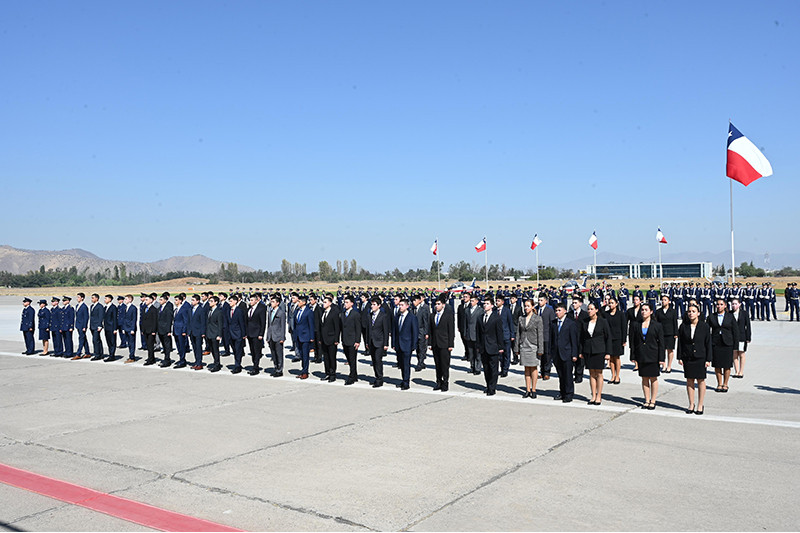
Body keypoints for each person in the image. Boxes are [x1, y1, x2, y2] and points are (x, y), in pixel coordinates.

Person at [677, 303, 713, 415]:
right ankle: (691, 403)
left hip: (700, 357)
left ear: (698, 313)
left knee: (701, 380)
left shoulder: (704, 326)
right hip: (688, 357)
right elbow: (680, 343)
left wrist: (708, 359)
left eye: (693, 311)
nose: (691, 313)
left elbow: (708, 343)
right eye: (689, 311)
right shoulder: (683, 326)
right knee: (689, 380)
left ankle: (700, 404)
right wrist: (680, 357)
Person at [630, 303, 665, 409]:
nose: (643, 311)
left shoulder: (657, 325)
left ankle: (653, 400)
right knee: (644, 378)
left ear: (651, 312)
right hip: (641, 354)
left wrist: (661, 358)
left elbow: (661, 343)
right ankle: (646, 399)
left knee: (653, 378)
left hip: (653, 354)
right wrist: (633, 355)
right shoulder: (636, 324)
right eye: (642, 310)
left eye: (646, 310)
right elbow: (633, 341)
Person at [579, 302, 612, 405]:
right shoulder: (585, 322)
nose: (589, 311)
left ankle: (599, 395)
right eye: (588, 309)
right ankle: (593, 395)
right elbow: (581, 338)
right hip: (588, 350)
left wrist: (608, 353)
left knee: (599, 373)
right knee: (591, 374)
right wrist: (581, 351)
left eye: (592, 309)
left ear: (597, 310)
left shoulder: (603, 322)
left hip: (599, 350)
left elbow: (608, 337)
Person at [708, 298, 739, 393]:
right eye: (717, 304)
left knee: (726, 365)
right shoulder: (711, 317)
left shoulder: (730, 316)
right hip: (716, 343)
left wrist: (735, 346)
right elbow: (706, 330)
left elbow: (735, 331)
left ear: (725, 305)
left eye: (721, 304)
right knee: (717, 365)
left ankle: (725, 384)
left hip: (727, 343)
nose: (719, 306)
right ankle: (719, 383)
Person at [514, 299, 543, 398]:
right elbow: (518, 333)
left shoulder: (537, 319)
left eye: (528, 306)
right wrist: (516, 347)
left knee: (534, 368)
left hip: (533, 345)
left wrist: (540, 349)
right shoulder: (521, 318)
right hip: (523, 345)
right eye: (525, 306)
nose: (526, 308)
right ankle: (527, 389)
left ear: (532, 307)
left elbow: (540, 335)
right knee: (526, 368)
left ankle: (534, 389)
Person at [551, 303, 579, 403]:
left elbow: (574, 340)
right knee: (561, 375)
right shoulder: (553, 323)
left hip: (567, 353)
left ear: (565, 311)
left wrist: (574, 354)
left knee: (568, 375)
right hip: (557, 354)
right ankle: (562, 392)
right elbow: (552, 339)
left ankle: (569, 394)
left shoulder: (570, 323)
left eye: (559, 310)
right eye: (556, 311)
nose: (557, 313)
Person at [476, 296, 504, 396]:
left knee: (494, 369)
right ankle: (488, 385)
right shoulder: (480, 318)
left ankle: (492, 387)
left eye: (487, 304)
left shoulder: (496, 318)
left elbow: (499, 333)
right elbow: (478, 333)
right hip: (483, 347)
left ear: (492, 306)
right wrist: (478, 346)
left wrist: (501, 347)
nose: (485, 305)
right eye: (484, 303)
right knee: (486, 368)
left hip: (493, 346)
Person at [392, 298, 419, 390]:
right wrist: (393, 343)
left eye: (402, 305)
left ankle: (406, 382)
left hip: (407, 344)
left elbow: (415, 332)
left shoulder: (412, 317)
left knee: (406, 364)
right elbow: (395, 331)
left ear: (407, 306)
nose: (400, 307)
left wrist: (414, 345)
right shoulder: (397, 317)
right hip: (398, 345)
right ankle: (403, 379)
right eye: (399, 305)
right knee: (401, 364)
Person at [429, 296, 455, 391]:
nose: (436, 306)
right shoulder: (432, 316)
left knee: (445, 364)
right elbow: (431, 331)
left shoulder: (448, 316)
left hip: (445, 343)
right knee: (437, 364)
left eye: (439, 304)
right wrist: (430, 343)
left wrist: (451, 344)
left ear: (443, 305)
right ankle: (438, 382)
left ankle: (445, 382)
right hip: (435, 344)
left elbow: (451, 331)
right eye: (436, 304)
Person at [366, 296, 390, 388]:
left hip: (379, 342)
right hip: (371, 342)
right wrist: (367, 342)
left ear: (379, 305)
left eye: (374, 305)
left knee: (378, 360)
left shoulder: (383, 316)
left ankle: (380, 379)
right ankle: (376, 377)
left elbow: (385, 330)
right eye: (371, 304)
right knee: (374, 361)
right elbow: (368, 330)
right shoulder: (370, 315)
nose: (372, 306)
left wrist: (386, 344)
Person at [319, 295, 342, 382]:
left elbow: (337, 327)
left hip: (332, 338)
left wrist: (336, 339)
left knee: (332, 357)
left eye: (325, 302)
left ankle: (333, 374)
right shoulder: (323, 312)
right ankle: (327, 373)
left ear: (330, 303)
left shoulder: (334, 313)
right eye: (323, 302)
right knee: (326, 357)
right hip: (324, 338)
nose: (323, 304)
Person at [340, 295, 361, 385]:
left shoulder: (355, 314)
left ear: (352, 304)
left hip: (352, 340)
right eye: (345, 302)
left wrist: (357, 341)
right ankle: (355, 375)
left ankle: (351, 376)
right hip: (345, 339)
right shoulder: (343, 313)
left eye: (347, 302)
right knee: (348, 358)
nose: (345, 304)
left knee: (352, 360)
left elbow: (358, 328)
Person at [604, 297, 626, 384]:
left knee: (617, 357)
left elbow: (624, 327)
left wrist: (624, 339)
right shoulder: (606, 314)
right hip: (609, 338)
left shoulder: (621, 314)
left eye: (612, 303)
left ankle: (617, 376)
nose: (610, 304)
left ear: (616, 304)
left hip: (618, 338)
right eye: (609, 303)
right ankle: (612, 375)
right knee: (611, 358)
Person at [654, 294, 678, 373]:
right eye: (662, 300)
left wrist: (676, 333)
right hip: (661, 333)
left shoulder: (673, 311)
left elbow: (675, 322)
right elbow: (656, 322)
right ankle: (663, 365)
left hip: (670, 333)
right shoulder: (658, 311)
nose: (663, 301)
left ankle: (669, 366)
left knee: (670, 350)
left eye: (665, 300)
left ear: (669, 301)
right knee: (662, 349)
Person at [568, 296, 589, 383]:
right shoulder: (569, 315)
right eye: (573, 303)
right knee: (572, 357)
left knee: (580, 358)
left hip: (581, 338)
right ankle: (573, 374)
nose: (574, 304)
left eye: (576, 303)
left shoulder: (584, 315)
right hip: (572, 338)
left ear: (580, 304)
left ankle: (579, 375)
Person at [246, 293, 267, 375]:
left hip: (257, 333)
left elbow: (263, 323)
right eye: (250, 300)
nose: (250, 302)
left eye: (252, 300)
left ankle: (256, 367)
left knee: (257, 351)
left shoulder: (261, 309)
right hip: (249, 333)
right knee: (252, 351)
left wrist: (261, 334)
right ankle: (254, 364)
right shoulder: (249, 309)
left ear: (256, 300)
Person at [730, 298, 752, 379]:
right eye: (732, 304)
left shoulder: (744, 313)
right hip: (732, 337)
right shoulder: (729, 313)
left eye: (735, 304)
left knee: (741, 354)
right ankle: (736, 371)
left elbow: (748, 326)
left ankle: (741, 371)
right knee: (734, 354)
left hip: (742, 336)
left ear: (739, 304)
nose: (734, 305)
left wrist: (748, 337)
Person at [536, 295, 556, 381]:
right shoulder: (536, 309)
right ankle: (542, 371)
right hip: (538, 336)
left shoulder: (549, 311)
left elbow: (552, 324)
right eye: (539, 300)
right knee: (540, 355)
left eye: (541, 300)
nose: (539, 302)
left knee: (547, 355)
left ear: (545, 301)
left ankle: (547, 372)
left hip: (546, 335)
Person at [266, 294, 286, 377]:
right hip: (271, 336)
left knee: (279, 354)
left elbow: (283, 326)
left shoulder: (281, 313)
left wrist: (282, 337)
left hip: (278, 336)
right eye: (271, 301)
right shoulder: (270, 312)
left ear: (277, 303)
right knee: (273, 354)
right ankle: (275, 367)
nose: (271, 303)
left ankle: (280, 370)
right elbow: (269, 325)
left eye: (273, 302)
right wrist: (267, 336)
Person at [495, 295, 515, 378]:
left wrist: (512, 334)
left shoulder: (507, 310)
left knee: (506, 354)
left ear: (502, 302)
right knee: (500, 355)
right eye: (496, 301)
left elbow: (510, 323)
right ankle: (502, 368)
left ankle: (505, 370)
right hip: (497, 337)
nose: (497, 302)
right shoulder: (494, 311)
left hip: (506, 335)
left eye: (498, 301)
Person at [227, 294, 247, 374]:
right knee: (235, 351)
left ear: (235, 301)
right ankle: (237, 363)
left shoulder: (239, 311)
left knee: (238, 351)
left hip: (238, 334)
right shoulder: (228, 310)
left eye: (231, 301)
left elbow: (242, 323)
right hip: (230, 334)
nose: (230, 303)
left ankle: (237, 366)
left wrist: (243, 334)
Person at [464, 295, 483, 375]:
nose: (471, 302)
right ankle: (472, 367)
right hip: (469, 334)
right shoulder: (467, 310)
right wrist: (465, 332)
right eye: (470, 301)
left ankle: (478, 368)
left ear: (476, 301)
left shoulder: (480, 310)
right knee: (471, 353)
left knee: (477, 353)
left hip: (476, 334)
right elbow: (465, 323)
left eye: (472, 301)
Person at [171, 294, 191, 369]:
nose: (175, 302)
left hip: (181, 330)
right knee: (178, 346)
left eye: (176, 300)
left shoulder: (183, 309)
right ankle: (181, 359)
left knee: (182, 346)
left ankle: (182, 360)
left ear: (180, 301)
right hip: (176, 330)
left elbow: (185, 321)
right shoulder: (176, 309)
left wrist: (184, 331)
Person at [205, 296, 224, 372]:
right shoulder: (209, 310)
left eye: (211, 301)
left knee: (216, 350)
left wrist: (219, 335)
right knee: (212, 350)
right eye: (209, 301)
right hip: (209, 333)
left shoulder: (219, 311)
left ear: (216, 302)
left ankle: (217, 364)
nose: (210, 302)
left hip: (215, 334)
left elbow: (220, 324)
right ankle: (215, 362)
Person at [188, 294, 207, 370]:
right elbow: (189, 321)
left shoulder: (201, 310)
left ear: (198, 301)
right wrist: (188, 331)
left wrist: (203, 332)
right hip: (192, 332)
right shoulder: (190, 309)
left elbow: (203, 322)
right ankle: (196, 362)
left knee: (199, 348)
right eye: (191, 300)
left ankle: (199, 363)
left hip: (198, 332)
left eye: (193, 300)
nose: (192, 302)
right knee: (194, 348)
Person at [412, 294, 430, 371]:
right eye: (412, 301)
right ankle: (421, 362)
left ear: (419, 301)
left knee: (422, 347)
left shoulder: (423, 310)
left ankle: (420, 363)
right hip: (414, 332)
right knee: (417, 349)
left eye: (415, 300)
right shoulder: (412, 310)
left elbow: (426, 322)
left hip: (421, 331)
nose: (413, 302)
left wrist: (426, 332)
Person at [140, 294, 159, 366]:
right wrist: (142, 330)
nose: (145, 301)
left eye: (146, 300)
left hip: (151, 331)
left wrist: (154, 331)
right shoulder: (145, 308)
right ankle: (152, 357)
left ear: (151, 301)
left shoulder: (154, 309)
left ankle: (150, 359)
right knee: (148, 345)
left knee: (151, 345)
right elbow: (143, 320)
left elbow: (155, 321)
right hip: (145, 330)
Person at [626, 295, 643, 370]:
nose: (635, 301)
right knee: (633, 346)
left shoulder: (643, 309)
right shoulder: (630, 310)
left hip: (641, 329)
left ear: (640, 301)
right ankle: (636, 363)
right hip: (632, 329)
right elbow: (625, 321)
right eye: (634, 300)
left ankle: (641, 362)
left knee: (641, 345)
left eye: (637, 299)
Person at [121, 295, 138, 363]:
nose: (125, 300)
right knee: (129, 343)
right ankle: (130, 355)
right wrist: (123, 328)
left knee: (132, 343)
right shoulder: (125, 307)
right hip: (126, 328)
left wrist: (132, 329)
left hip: (131, 328)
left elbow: (134, 319)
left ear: (130, 300)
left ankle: (132, 357)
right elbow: (124, 319)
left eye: (126, 299)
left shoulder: (133, 308)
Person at [88, 293, 105, 360]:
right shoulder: (92, 306)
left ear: (97, 298)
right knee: (97, 340)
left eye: (93, 298)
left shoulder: (100, 306)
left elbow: (101, 316)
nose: (92, 299)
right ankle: (100, 353)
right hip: (92, 325)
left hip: (97, 326)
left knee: (95, 340)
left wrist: (100, 325)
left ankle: (97, 354)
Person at [73, 293, 90, 359]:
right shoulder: (77, 305)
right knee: (83, 339)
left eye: (78, 297)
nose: (77, 298)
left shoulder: (84, 306)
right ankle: (87, 352)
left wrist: (84, 326)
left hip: (82, 325)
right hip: (78, 325)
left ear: (82, 298)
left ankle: (78, 353)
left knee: (81, 339)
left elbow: (86, 317)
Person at [101, 295, 117, 362]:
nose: (105, 300)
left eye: (106, 298)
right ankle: (110, 354)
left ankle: (112, 356)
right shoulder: (105, 307)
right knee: (108, 342)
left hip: (112, 327)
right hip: (106, 327)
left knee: (112, 342)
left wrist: (115, 328)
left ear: (110, 299)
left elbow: (115, 318)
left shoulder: (113, 307)